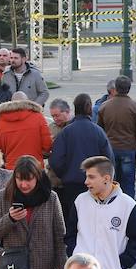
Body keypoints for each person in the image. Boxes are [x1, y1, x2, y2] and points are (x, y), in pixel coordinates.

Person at [65, 156, 136, 269]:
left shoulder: (127, 205)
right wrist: (74, 253)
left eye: (91, 177)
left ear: (106, 178)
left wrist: (120, 264)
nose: (86, 182)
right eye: (86, 177)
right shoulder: (80, 201)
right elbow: (70, 233)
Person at [49, 93, 114, 228]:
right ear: (89, 108)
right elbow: (108, 160)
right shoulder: (98, 131)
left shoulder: (66, 132)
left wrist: (65, 174)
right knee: (93, 222)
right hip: (96, 185)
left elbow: (55, 160)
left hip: (71, 184)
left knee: (73, 221)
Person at [96, 75, 136, 198]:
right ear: (129, 88)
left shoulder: (104, 106)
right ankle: (128, 212)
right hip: (129, 148)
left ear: (116, 88)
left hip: (110, 149)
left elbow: (100, 130)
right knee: (128, 184)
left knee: (110, 183)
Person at [0, 91, 52, 170]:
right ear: (27, 101)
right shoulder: (38, 117)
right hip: (35, 167)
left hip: (12, 169)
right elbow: (47, 145)